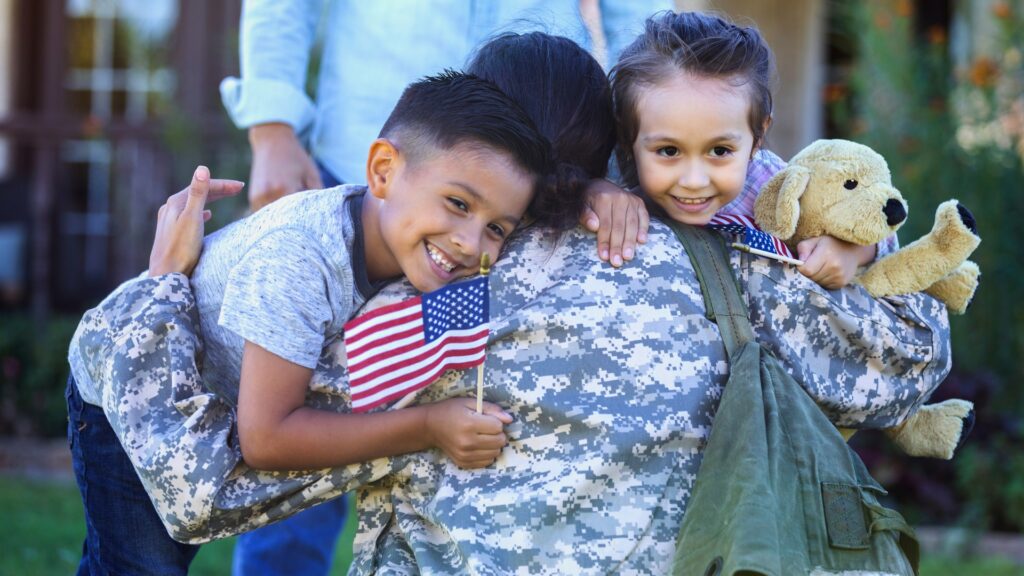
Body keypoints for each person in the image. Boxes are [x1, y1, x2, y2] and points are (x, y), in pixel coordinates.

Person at [66, 71, 563, 575]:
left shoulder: (403, 242)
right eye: (458, 204)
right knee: (137, 567)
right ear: (383, 171)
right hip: (132, 383)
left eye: (496, 228)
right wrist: (431, 425)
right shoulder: (301, 257)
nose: (471, 243)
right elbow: (267, 439)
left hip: (204, 404)